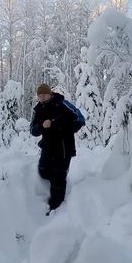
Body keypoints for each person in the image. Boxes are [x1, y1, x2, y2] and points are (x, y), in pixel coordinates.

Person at [30, 83, 78, 213]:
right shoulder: (38, 109)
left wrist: (57, 125)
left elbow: (79, 119)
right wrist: (41, 126)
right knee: (43, 171)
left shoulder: (63, 104)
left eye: (44, 95)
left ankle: (55, 208)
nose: (42, 98)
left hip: (63, 148)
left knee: (58, 177)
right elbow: (33, 130)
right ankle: (52, 195)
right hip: (47, 147)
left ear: (50, 94)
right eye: (40, 96)